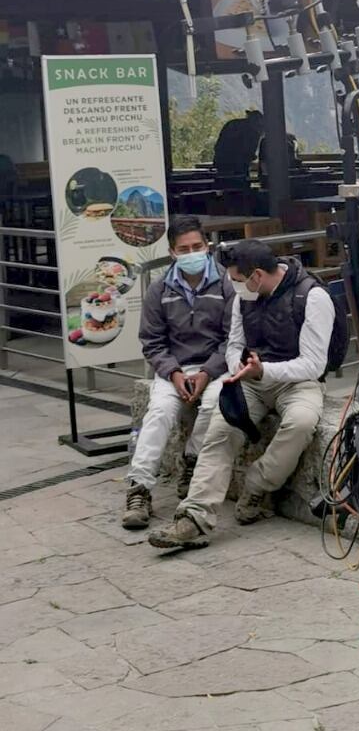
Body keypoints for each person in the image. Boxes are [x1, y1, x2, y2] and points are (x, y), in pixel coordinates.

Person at [147, 239, 333, 551]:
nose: (233, 286)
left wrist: (264, 371)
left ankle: (258, 484)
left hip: (298, 382)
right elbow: (234, 343)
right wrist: (238, 368)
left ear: (256, 275)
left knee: (301, 423)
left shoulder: (312, 297)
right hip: (251, 379)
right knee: (221, 429)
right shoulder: (243, 299)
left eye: (237, 279)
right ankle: (194, 517)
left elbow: (314, 364)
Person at [123, 216, 233, 530]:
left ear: (207, 246)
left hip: (216, 367)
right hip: (174, 369)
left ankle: (192, 462)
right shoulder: (159, 289)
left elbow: (232, 338)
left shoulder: (226, 284)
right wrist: (173, 373)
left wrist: (208, 372)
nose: (192, 253)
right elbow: (152, 342)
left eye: (197, 246)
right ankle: (139, 488)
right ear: (172, 252)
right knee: (159, 411)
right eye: (184, 249)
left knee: (214, 405)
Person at [212, 108, 264, 185]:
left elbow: (218, 147)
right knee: (239, 186)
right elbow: (248, 152)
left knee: (225, 186)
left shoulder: (233, 124)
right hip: (237, 167)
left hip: (221, 164)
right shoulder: (252, 131)